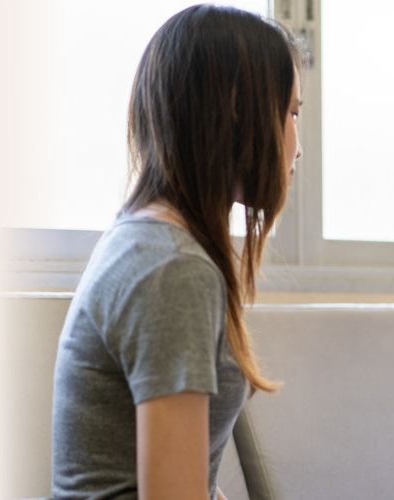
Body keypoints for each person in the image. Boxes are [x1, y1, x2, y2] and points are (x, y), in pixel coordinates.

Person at [49, 5, 301, 499]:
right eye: (291, 112)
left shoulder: (144, 239)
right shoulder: (174, 268)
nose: (297, 143)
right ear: (236, 111)